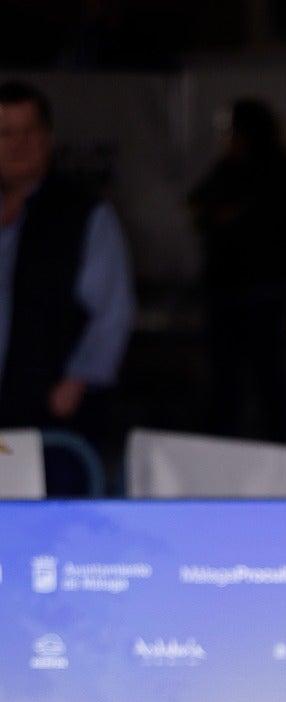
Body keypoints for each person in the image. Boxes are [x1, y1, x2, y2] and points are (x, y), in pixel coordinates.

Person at [0, 80, 136, 482]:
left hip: (50, 414)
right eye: (6, 133)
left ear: (48, 138)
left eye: (29, 132)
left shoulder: (83, 214)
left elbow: (112, 309)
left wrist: (78, 379)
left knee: (49, 533)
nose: (18, 144)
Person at [188, 98, 286, 442]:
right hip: (225, 293)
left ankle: (282, 445)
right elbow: (199, 207)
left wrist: (277, 272)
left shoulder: (279, 175)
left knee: (267, 374)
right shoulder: (225, 172)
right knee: (224, 377)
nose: (227, 138)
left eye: (232, 131)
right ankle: (217, 446)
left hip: (264, 293)